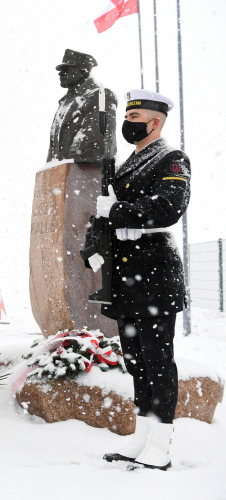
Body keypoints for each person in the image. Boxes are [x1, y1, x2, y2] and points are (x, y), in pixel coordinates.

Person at [84, 90, 190, 470]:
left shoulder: (170, 159)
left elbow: (169, 208)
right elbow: (104, 214)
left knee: (158, 360)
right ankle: (143, 436)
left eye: (136, 117)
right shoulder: (127, 162)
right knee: (136, 361)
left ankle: (160, 443)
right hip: (127, 276)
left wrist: (119, 210)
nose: (128, 124)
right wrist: (93, 243)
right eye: (127, 117)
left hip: (155, 272)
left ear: (155, 122)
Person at [46, 49, 117, 164]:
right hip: (63, 176)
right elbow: (54, 151)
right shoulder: (65, 102)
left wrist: (67, 165)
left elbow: (93, 147)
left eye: (67, 69)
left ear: (83, 72)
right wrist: (51, 168)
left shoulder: (99, 96)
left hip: (87, 175)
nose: (60, 73)